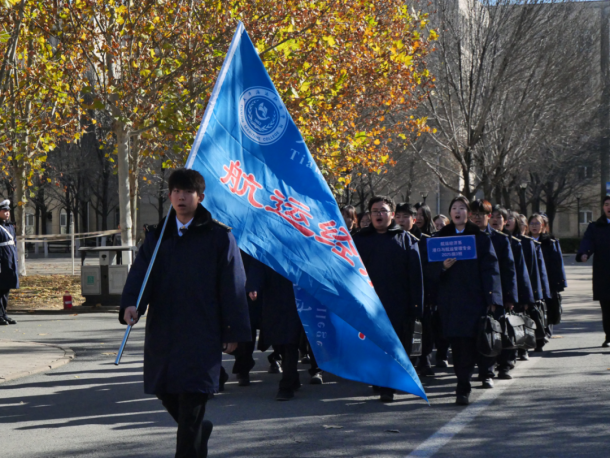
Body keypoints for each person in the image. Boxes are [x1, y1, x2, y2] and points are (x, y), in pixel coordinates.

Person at [119, 169, 251, 458]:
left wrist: (232, 330)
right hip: (164, 330)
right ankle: (199, 430)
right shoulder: (158, 237)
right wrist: (131, 304)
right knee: (165, 390)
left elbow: (233, 286)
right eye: (176, 191)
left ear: (200, 197)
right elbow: (140, 274)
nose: (181, 197)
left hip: (202, 331)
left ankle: (193, 438)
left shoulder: (218, 236)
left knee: (192, 398)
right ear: (169, 196)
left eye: (188, 192)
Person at [430, 196, 502, 406]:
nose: (458, 211)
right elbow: (428, 269)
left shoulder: (480, 238)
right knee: (458, 345)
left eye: (462, 208)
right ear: (450, 213)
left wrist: (492, 298)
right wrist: (442, 267)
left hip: (474, 301)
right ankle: (462, 385)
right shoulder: (439, 238)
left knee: (472, 343)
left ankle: (469, 382)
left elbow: (491, 269)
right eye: (454, 208)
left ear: (468, 213)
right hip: (450, 302)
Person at [354, 196, 424, 403]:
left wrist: (416, 307)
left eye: (383, 211)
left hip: (397, 305)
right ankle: (379, 378)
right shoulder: (359, 240)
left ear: (392, 215)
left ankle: (388, 386)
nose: (379, 215)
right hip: (368, 304)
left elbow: (415, 277)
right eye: (375, 211)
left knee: (394, 346)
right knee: (374, 345)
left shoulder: (406, 239)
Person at [247, 262, 323, 401]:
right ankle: (292, 377)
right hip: (275, 297)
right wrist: (253, 285)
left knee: (290, 342)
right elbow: (260, 261)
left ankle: (286, 385)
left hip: (301, 295)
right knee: (280, 342)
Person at [470, 200, 518, 388]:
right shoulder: (465, 238)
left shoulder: (500, 239)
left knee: (491, 334)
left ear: (488, 216)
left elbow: (509, 270)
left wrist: (509, 297)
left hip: (493, 295)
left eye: (481, 214)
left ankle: (490, 372)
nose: (476, 218)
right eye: (473, 214)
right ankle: (478, 370)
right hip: (470, 295)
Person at [491, 206, 535, 379]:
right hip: (489, 293)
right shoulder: (483, 240)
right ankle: (488, 365)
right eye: (493, 217)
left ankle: (505, 365)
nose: (496, 220)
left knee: (507, 330)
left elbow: (520, 273)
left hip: (508, 294)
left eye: (500, 217)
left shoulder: (514, 243)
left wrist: (522, 298)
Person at [508, 211, 551, 360]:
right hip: (509, 287)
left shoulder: (526, 243)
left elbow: (533, 271)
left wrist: (533, 294)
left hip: (523, 287)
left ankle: (523, 348)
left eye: (511, 219)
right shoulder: (501, 240)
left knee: (522, 318)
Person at [529, 213, 567, 351]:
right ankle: (537, 337)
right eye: (532, 223)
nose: (534, 226)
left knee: (546, 309)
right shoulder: (525, 241)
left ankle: (544, 335)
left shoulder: (550, 242)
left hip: (547, 281)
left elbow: (557, 264)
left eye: (537, 223)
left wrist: (559, 283)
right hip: (531, 281)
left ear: (543, 226)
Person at [577, 196, 610, 348]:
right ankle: (609, 336)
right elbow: (588, 241)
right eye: (606, 204)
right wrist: (584, 253)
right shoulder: (596, 227)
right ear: (603, 207)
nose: (609, 207)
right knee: (607, 307)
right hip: (604, 273)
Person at [0, 199, 19, 326]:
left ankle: (4, 314)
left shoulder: (10, 227)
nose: (7, 213)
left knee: (6, 288)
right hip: (1, 262)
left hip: (9, 262)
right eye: (4, 211)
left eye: (8, 211)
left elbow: (14, 244)